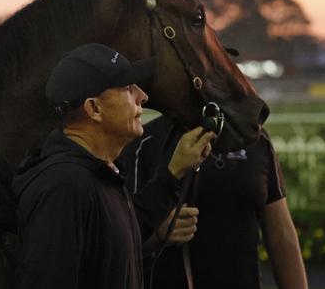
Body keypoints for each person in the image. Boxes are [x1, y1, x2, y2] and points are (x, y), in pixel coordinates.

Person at [11, 43, 215, 289]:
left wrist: (173, 172)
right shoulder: (64, 186)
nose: (143, 96)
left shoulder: (95, 173)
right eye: (128, 88)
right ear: (94, 109)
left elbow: (118, 237)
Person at [120, 115, 308, 289]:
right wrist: (157, 237)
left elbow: (282, 235)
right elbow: (117, 242)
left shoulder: (253, 138)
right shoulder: (144, 142)